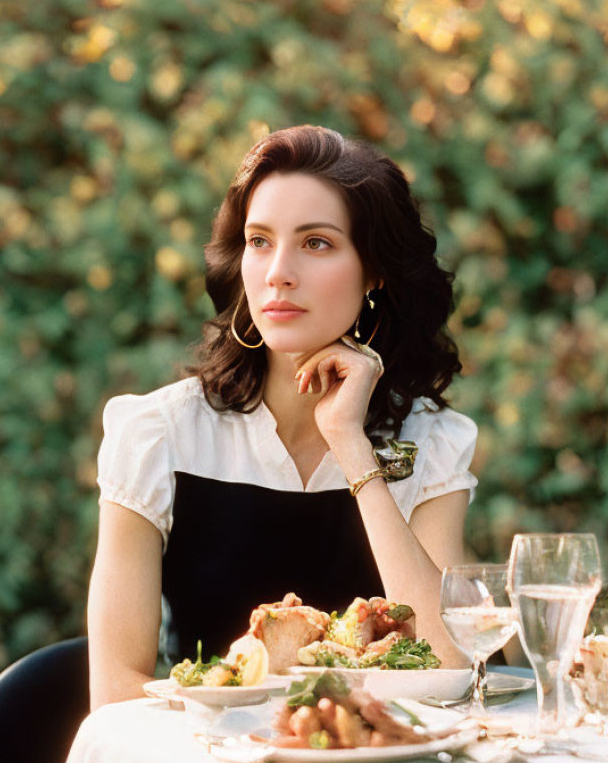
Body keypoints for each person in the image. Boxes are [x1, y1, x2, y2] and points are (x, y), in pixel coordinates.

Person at [87, 125, 478, 708]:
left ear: (374, 273)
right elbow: (116, 692)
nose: (278, 272)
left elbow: (455, 668)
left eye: (316, 242)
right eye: (260, 240)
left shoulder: (429, 441)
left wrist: (350, 443)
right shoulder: (160, 436)